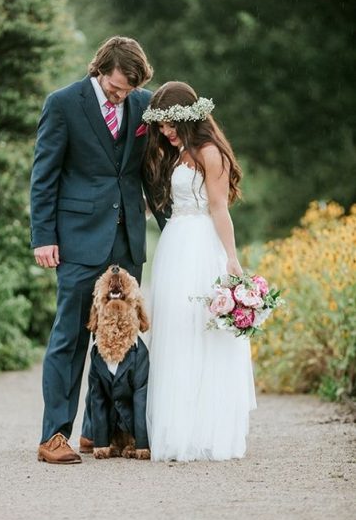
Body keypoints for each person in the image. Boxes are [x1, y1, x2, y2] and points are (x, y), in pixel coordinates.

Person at [30, 36, 164, 464]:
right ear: (100, 69)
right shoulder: (63, 104)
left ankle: (102, 431)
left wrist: (176, 226)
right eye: (116, 87)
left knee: (122, 341)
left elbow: (150, 172)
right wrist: (43, 236)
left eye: (128, 90)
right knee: (70, 337)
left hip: (127, 241)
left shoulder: (143, 104)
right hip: (76, 238)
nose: (122, 95)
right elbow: (44, 175)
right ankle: (54, 435)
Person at [143, 81, 257, 462]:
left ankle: (207, 430)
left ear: (190, 118)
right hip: (174, 246)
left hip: (202, 247)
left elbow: (219, 208)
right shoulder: (177, 155)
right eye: (161, 126)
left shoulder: (211, 153)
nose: (166, 132)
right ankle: (177, 430)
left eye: (171, 124)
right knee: (175, 331)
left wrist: (231, 258)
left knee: (203, 333)